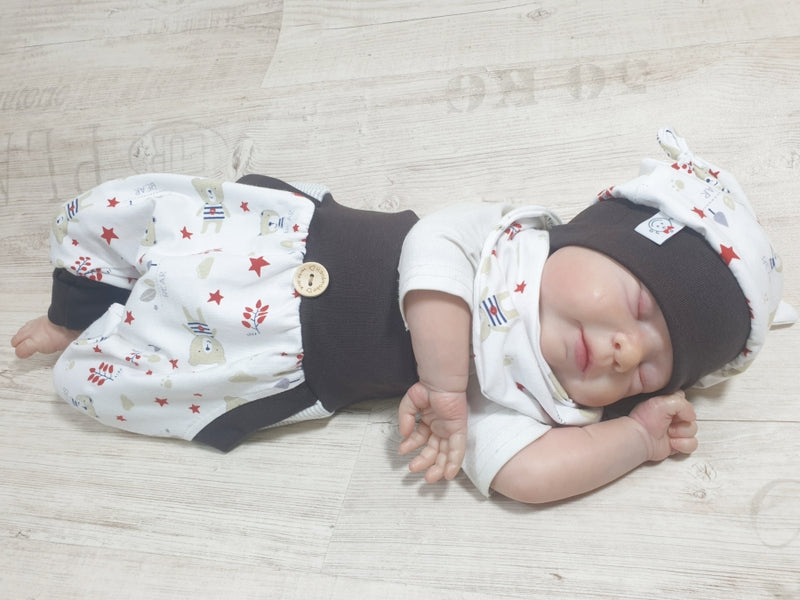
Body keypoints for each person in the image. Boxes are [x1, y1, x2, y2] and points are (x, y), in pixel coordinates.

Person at [12, 128, 793, 504]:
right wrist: (445, 385)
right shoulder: (503, 241)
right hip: (273, 242)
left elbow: (523, 476)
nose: (626, 351)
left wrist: (638, 438)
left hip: (268, 356)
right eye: (639, 306)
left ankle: (83, 339)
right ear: (589, 235)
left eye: (651, 367)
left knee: (119, 380)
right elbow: (429, 251)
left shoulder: (521, 396)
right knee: (118, 215)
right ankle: (73, 303)